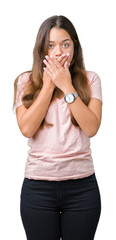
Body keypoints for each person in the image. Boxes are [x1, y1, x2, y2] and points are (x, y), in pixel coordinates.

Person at [13, 15, 102, 240]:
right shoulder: (25, 81)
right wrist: (49, 85)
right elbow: (26, 129)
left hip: (82, 189)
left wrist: (67, 85)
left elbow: (91, 128)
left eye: (65, 44)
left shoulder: (90, 80)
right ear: (42, 49)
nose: (58, 51)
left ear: (74, 47)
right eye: (51, 45)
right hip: (38, 189)